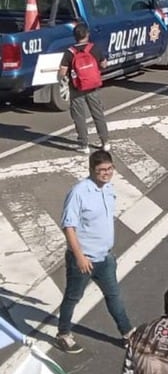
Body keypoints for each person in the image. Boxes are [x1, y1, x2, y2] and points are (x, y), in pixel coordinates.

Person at [55, 149, 133, 354]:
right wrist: (79, 256)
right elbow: (68, 226)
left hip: (105, 257)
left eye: (109, 168)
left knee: (113, 296)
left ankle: (127, 333)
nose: (106, 173)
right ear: (91, 170)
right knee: (72, 297)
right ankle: (63, 334)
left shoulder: (108, 188)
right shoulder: (79, 192)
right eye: (101, 170)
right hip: (84, 260)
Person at [57, 22, 110, 153]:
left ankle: (84, 145)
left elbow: (62, 72)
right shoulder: (94, 48)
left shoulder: (69, 53)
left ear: (74, 36)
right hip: (92, 87)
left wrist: (60, 75)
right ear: (87, 35)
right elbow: (104, 65)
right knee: (98, 114)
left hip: (76, 89)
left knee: (79, 116)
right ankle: (105, 142)